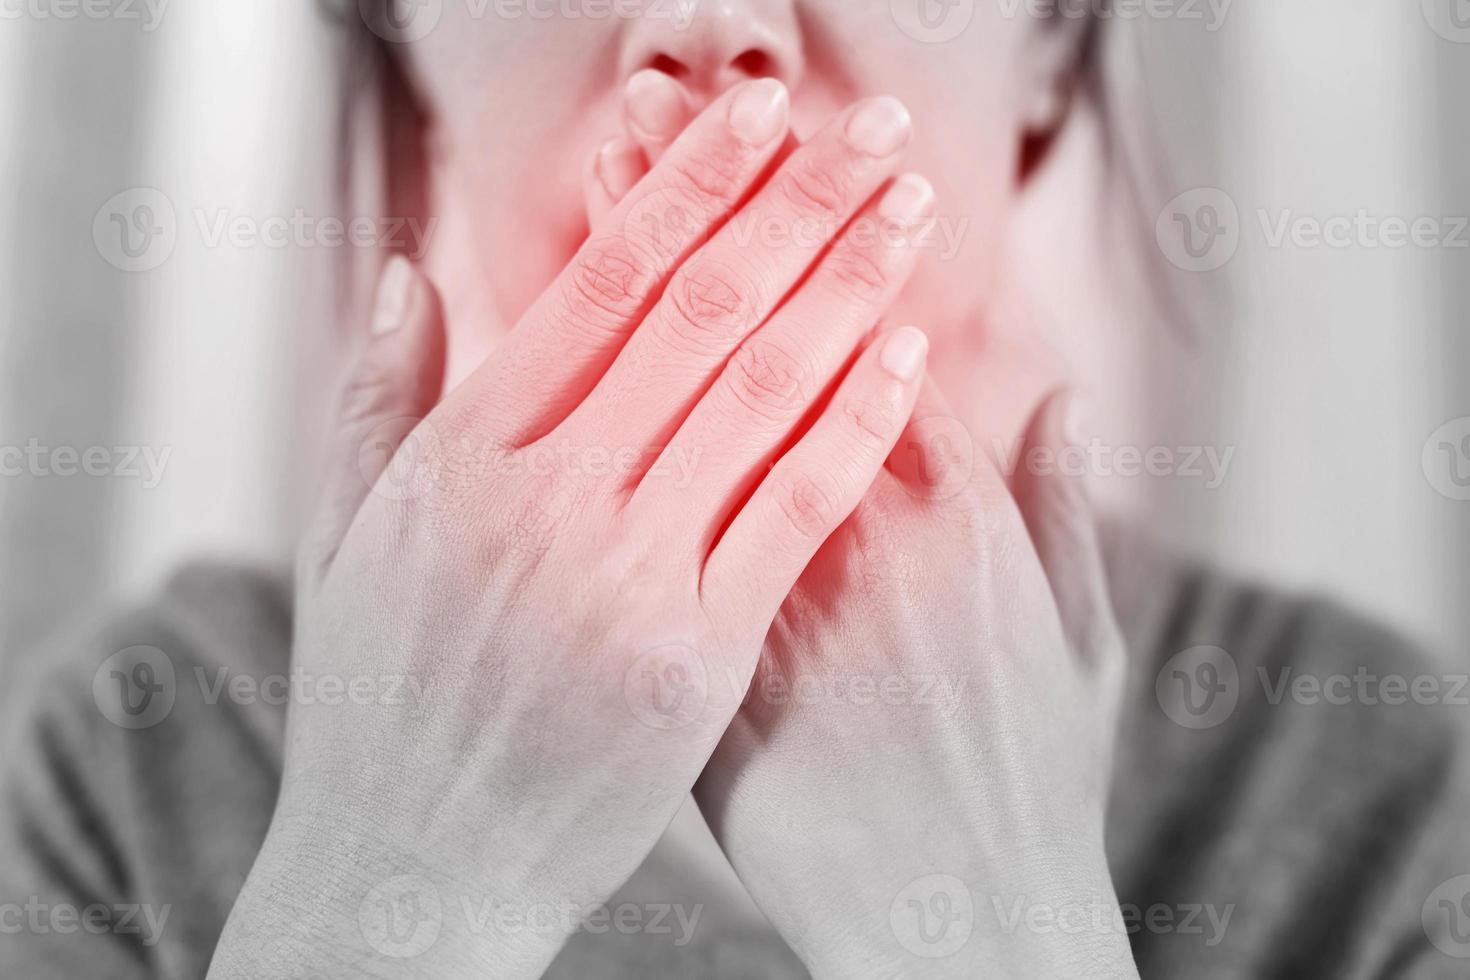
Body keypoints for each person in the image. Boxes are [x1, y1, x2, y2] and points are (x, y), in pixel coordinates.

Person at [2, 2, 1466, 977]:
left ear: (1047, 34)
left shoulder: (1389, 798)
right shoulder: (124, 765)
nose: (714, 31)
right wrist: (392, 881)